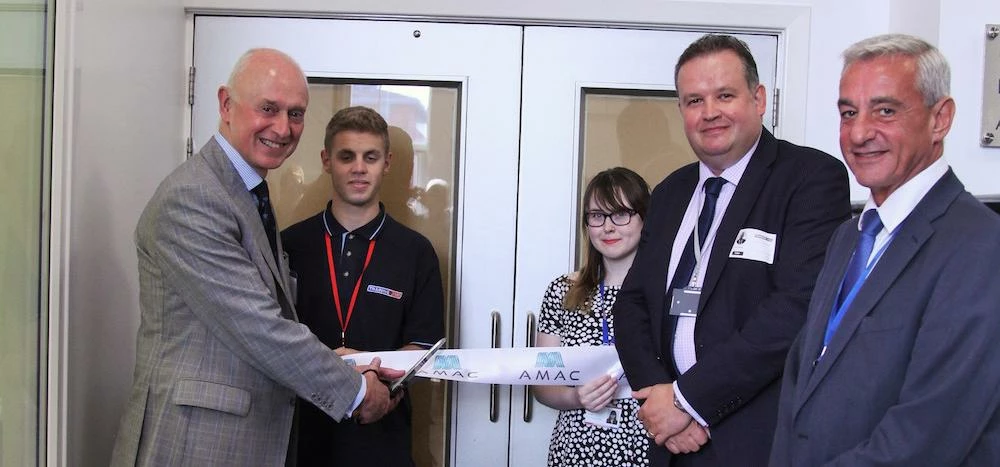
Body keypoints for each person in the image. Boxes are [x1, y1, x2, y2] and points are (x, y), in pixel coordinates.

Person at [109, 49, 401, 467]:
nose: (282, 128)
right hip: (195, 445)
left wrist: (340, 361)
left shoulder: (247, 195)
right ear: (226, 104)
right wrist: (354, 392)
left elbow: (268, 317)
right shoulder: (194, 197)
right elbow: (259, 327)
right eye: (268, 108)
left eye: (296, 114)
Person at [612, 34, 851, 466]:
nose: (710, 113)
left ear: (758, 99)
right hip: (671, 442)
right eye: (693, 100)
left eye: (725, 95)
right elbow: (632, 305)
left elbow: (795, 310)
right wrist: (658, 397)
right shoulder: (670, 193)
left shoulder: (809, 178)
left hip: (753, 441)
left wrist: (688, 400)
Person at [770, 34, 1000, 466]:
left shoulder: (982, 246)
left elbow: (929, 434)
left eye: (886, 110)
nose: (859, 133)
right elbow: (803, 387)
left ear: (940, 119)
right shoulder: (849, 236)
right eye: (848, 113)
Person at [281, 106, 445, 467]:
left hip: (381, 438)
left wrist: (374, 382)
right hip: (301, 439)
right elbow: (268, 336)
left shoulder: (416, 253)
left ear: (386, 163)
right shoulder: (289, 246)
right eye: (346, 156)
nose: (358, 168)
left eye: (370, 157)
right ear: (327, 161)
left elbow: (424, 346)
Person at [534, 167, 652, 467]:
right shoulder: (564, 291)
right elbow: (543, 385)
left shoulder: (664, 294)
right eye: (597, 215)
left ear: (644, 218)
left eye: (621, 213)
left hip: (648, 446)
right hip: (577, 448)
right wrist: (576, 398)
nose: (608, 227)